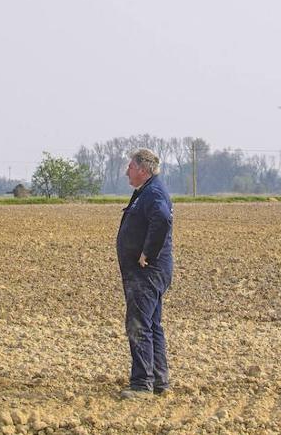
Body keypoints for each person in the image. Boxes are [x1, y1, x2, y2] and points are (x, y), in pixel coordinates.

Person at [115, 148, 173, 399]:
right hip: (148, 272)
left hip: (146, 273)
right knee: (151, 324)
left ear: (142, 169)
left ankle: (142, 384)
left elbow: (162, 219)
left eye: (130, 166)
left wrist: (147, 254)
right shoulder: (147, 192)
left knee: (139, 324)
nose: (127, 171)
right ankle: (159, 381)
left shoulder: (154, 193)